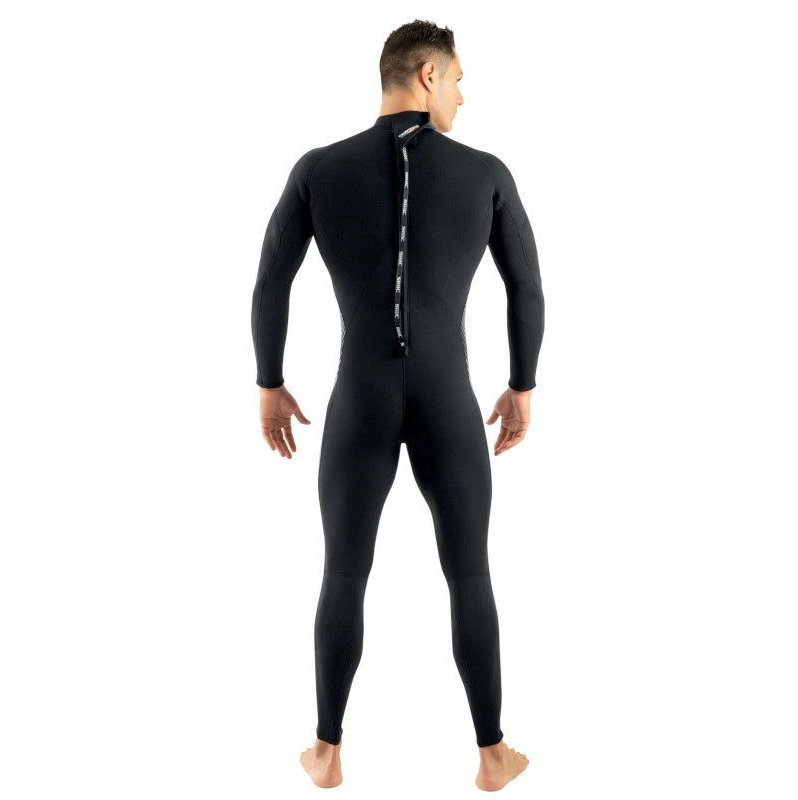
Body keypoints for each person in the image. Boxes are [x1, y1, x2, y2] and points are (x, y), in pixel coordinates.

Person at [251, 19, 544, 791]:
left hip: (361, 395)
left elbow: (270, 279)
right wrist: (522, 384)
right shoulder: (486, 173)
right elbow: (526, 286)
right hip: (449, 397)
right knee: (470, 572)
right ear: (427, 76)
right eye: (457, 80)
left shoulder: (319, 169)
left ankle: (327, 753)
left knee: (343, 572)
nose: (462, 96)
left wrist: (269, 381)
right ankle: (492, 755)